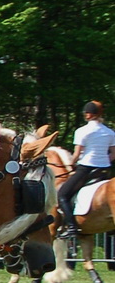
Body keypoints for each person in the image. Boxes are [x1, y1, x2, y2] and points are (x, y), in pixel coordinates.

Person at [57, 101, 115, 238]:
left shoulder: (82, 131)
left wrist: (71, 164)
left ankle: (71, 226)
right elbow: (114, 154)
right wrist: (105, 160)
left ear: (88, 114)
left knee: (63, 195)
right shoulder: (109, 132)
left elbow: (77, 154)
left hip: (86, 169)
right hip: (104, 170)